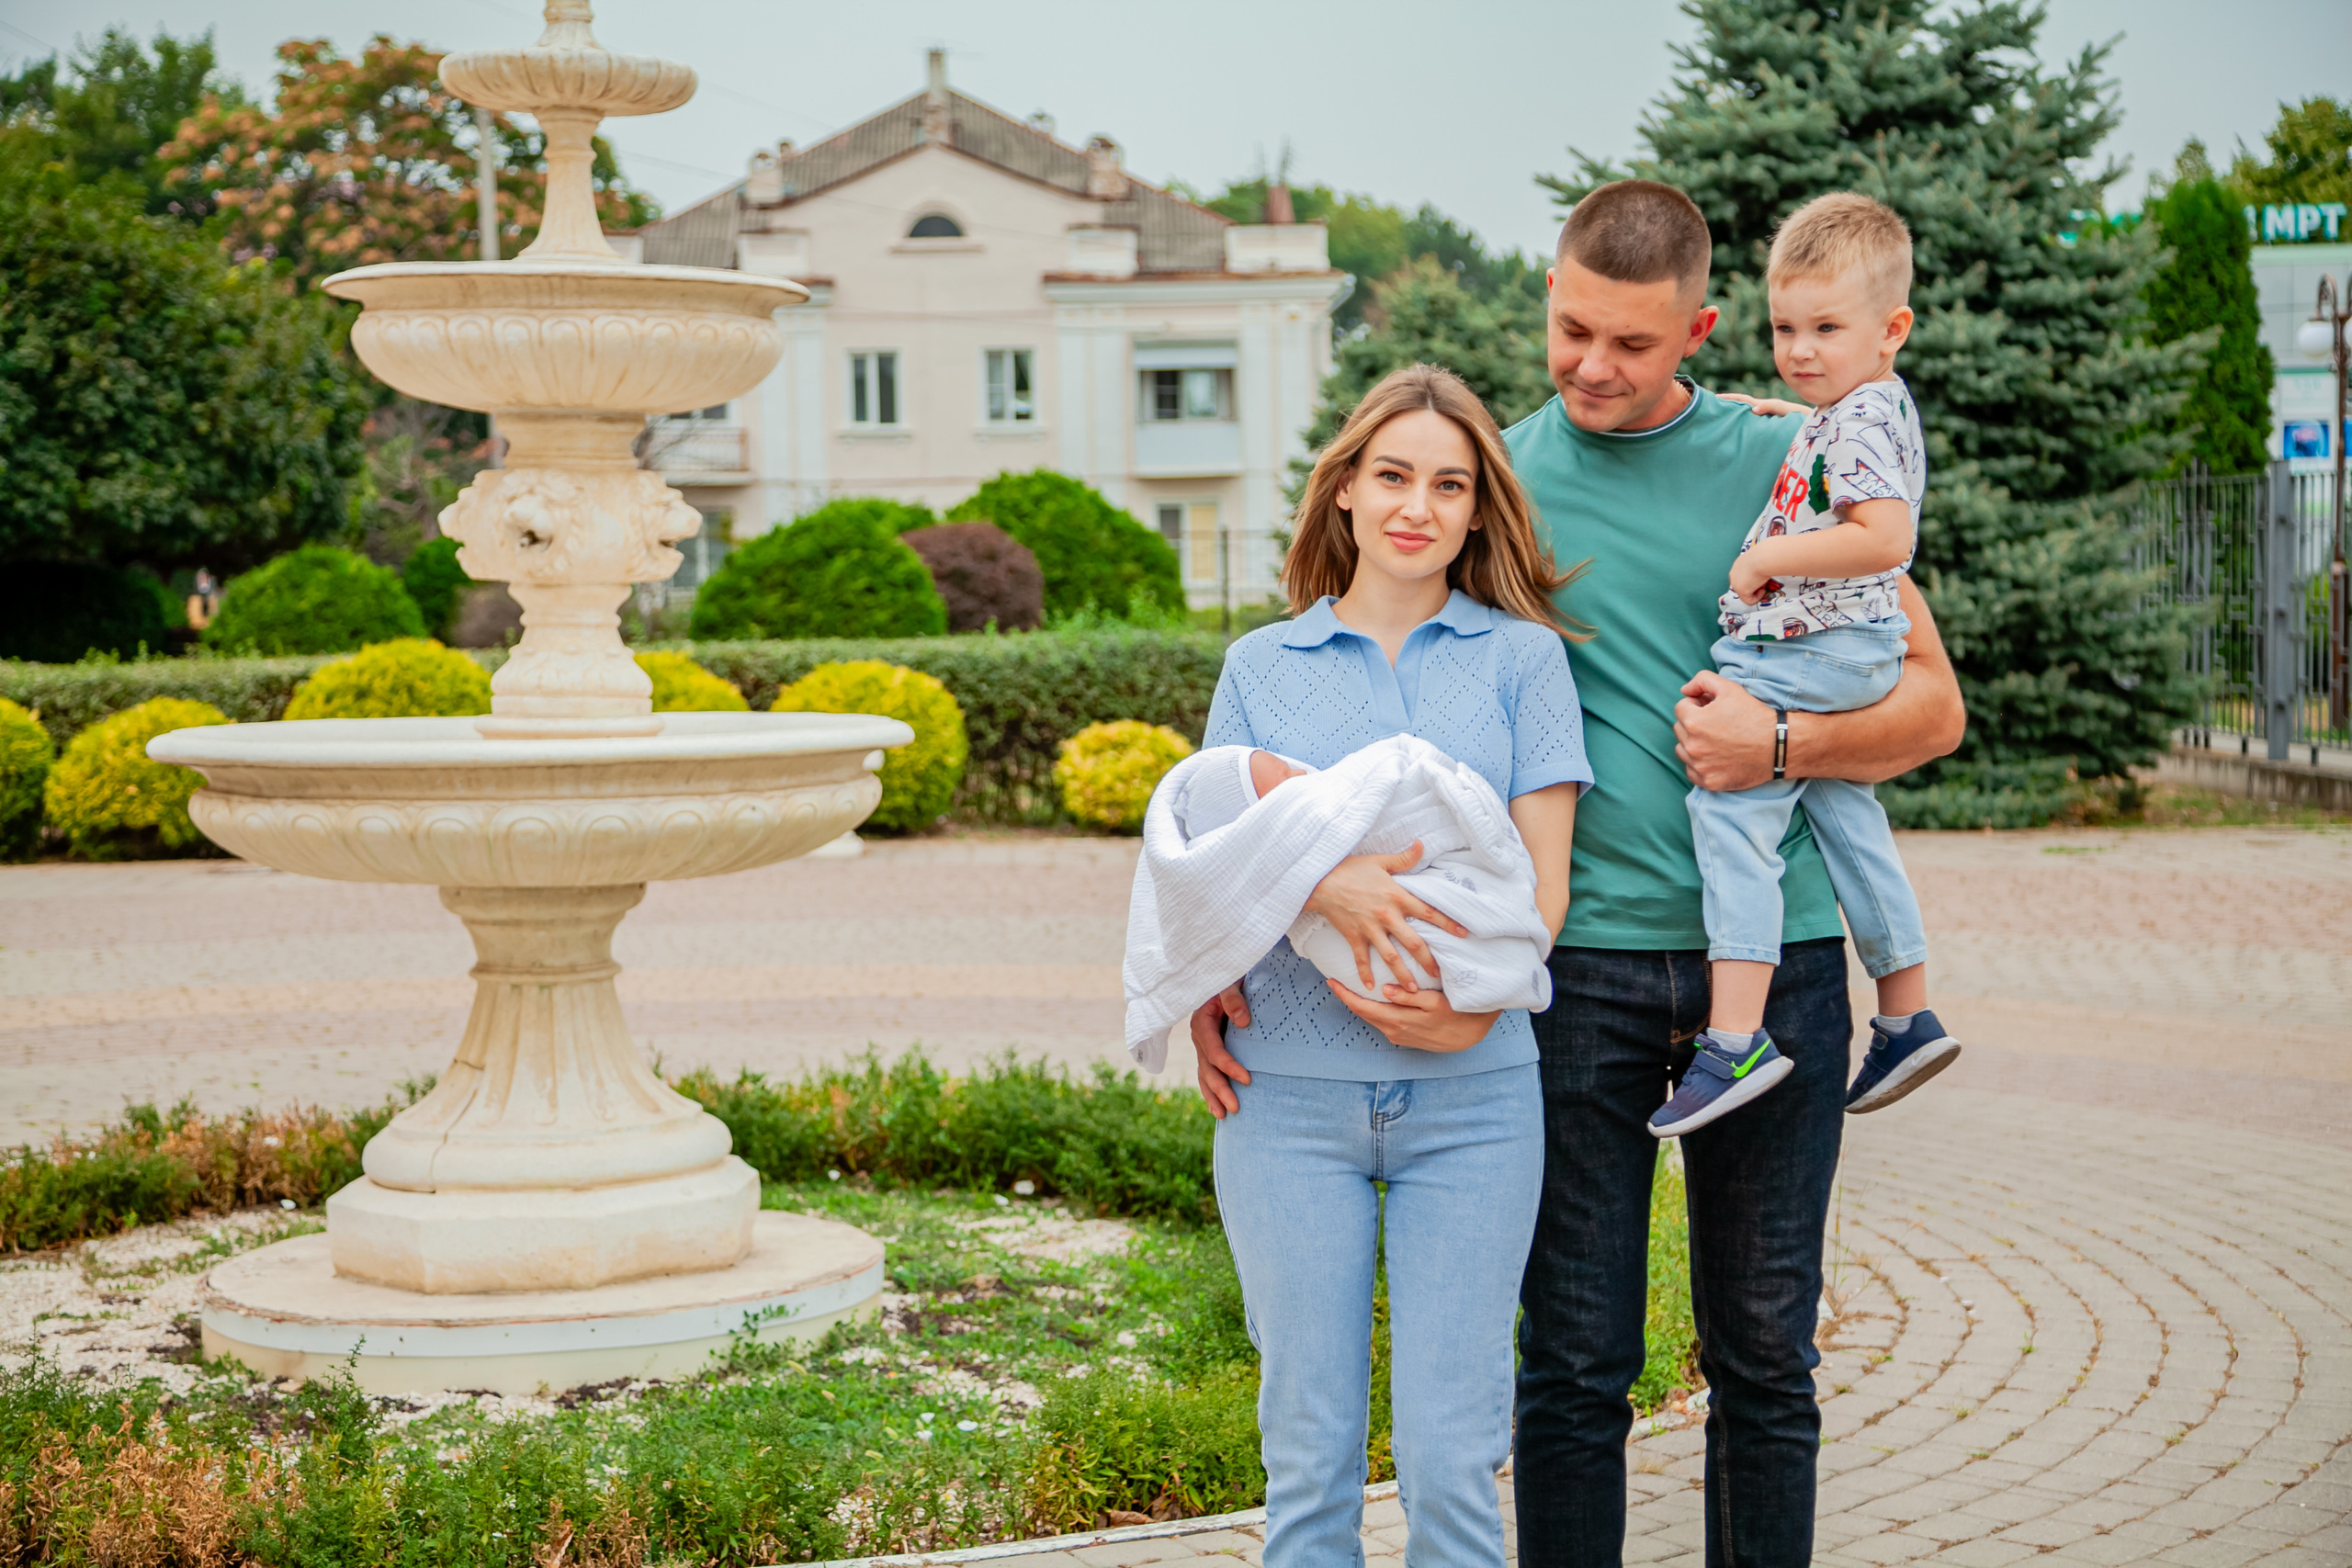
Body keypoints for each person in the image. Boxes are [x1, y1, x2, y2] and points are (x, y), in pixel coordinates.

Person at [1502, 180, 1965, 1568]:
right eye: (1573, 331)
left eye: (1633, 344)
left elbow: (1931, 706)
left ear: (1701, 331)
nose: (1593, 366)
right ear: (1549, 297)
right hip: (1578, 972)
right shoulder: (1494, 481)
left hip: (1784, 975)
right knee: (1572, 1359)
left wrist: (1781, 743)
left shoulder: (1795, 454)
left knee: (1765, 1353)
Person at [1183, 363, 1589, 1568]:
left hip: (1477, 1101)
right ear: (1347, 490)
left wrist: (1474, 1011)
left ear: (1477, 510)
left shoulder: (1524, 662)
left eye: (1449, 485)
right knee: (1307, 1462)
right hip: (1283, 1099)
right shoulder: (1262, 665)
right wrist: (1322, 885)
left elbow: (1545, 888)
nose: (1418, 505)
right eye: (1394, 476)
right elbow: (1213, 859)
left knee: (1453, 1462)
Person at [1653, 191, 1962, 1139]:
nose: (1800, 349)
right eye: (1786, 328)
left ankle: (1734, 1037)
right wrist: (1800, 416)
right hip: (1855, 650)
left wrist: (1766, 559)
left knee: (1730, 809)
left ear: (1892, 330)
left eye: (1827, 329)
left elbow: (1885, 538)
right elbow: (1852, 455)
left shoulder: (1856, 421)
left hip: (1812, 648)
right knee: (1843, 814)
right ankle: (1907, 1014)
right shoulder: (1865, 406)